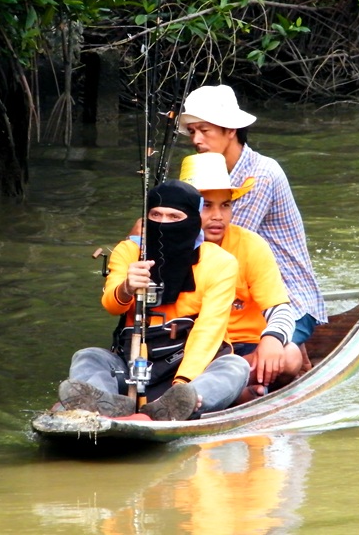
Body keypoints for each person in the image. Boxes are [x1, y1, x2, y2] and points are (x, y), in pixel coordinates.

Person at [58, 180, 250, 421]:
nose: (163, 223)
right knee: (88, 356)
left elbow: (208, 331)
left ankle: (178, 406)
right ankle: (104, 407)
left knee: (235, 367)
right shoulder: (128, 251)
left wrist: (182, 385)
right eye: (156, 215)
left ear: (191, 219)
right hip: (133, 360)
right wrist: (128, 287)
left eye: (174, 216)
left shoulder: (220, 262)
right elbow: (111, 304)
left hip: (190, 365)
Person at [178, 84, 328, 356]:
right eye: (192, 131)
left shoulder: (259, 175)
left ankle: (294, 354)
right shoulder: (204, 174)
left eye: (204, 130)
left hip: (285, 298)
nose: (196, 140)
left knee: (271, 360)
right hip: (237, 298)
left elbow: (221, 249)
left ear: (230, 130)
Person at [179, 152, 302, 400]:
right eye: (206, 205)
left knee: (291, 356)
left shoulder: (251, 245)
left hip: (247, 348)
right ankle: (237, 391)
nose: (217, 216)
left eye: (225, 205)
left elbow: (280, 309)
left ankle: (233, 389)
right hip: (190, 350)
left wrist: (273, 338)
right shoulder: (169, 245)